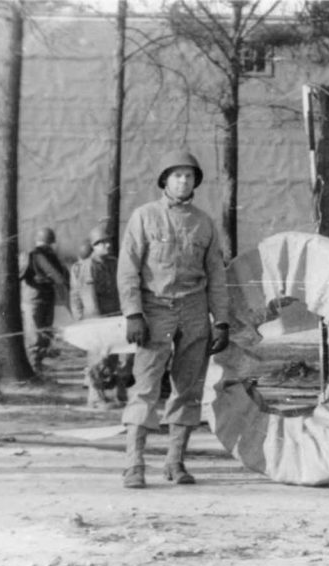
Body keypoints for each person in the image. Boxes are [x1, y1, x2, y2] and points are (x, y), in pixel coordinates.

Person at [116, 148, 230, 489]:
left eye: (189, 175)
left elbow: (216, 275)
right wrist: (133, 313)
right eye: (177, 175)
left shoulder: (204, 223)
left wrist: (221, 321)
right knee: (146, 387)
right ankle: (134, 464)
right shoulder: (144, 217)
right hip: (154, 310)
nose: (183, 181)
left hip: (194, 311)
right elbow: (127, 268)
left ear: (196, 182)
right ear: (165, 180)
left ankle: (175, 461)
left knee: (188, 389)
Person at [70, 224, 132, 409]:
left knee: (115, 357)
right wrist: (98, 324)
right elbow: (89, 299)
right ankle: (95, 397)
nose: (107, 245)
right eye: (102, 243)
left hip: (114, 317)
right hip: (97, 319)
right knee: (99, 358)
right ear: (94, 246)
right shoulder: (89, 266)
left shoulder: (113, 263)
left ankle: (113, 394)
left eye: (108, 242)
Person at [21, 227, 69, 373]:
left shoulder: (48, 255)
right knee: (35, 336)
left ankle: (39, 365)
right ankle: (34, 367)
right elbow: (58, 276)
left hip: (44, 297)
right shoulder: (35, 255)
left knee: (44, 333)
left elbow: (60, 275)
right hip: (34, 299)